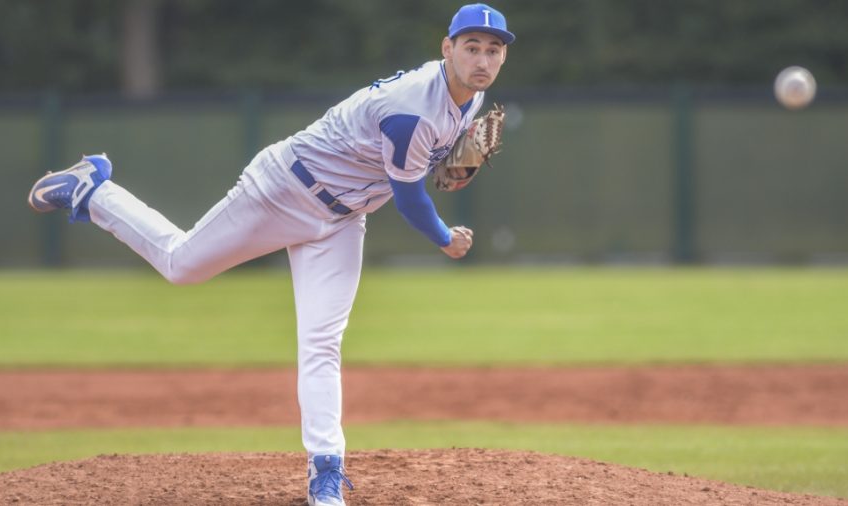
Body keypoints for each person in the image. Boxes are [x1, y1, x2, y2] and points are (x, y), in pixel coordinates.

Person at [27, 3, 512, 505]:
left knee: (322, 343)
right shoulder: (412, 109)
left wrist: (445, 166)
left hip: (342, 219)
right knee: (181, 266)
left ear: (502, 58)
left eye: (493, 50)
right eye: (471, 47)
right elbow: (410, 200)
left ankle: (326, 470)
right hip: (283, 190)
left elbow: (410, 166)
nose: (482, 59)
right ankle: (94, 191)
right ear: (447, 48)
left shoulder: (470, 98)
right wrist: (445, 238)